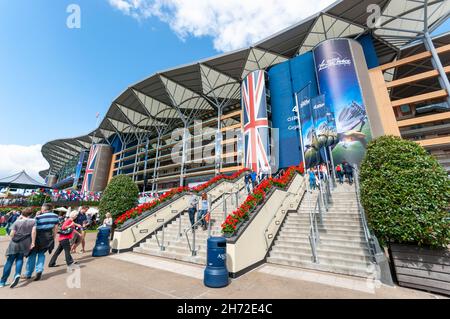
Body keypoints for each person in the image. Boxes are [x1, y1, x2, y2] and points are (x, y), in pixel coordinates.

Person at [0, 208, 35, 288]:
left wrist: (18, 220)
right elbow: (33, 232)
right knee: (20, 259)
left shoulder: (17, 221)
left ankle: (2, 282)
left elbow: (11, 234)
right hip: (26, 242)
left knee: (9, 261)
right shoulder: (33, 221)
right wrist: (32, 242)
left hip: (15, 243)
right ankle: (17, 274)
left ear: (22, 213)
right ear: (30, 214)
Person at [25, 203, 59, 281]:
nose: (41, 210)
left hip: (37, 236)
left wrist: (32, 241)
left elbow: (34, 230)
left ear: (44, 209)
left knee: (32, 255)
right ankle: (39, 270)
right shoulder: (55, 216)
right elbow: (56, 228)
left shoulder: (38, 217)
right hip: (48, 237)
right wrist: (53, 238)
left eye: (41, 208)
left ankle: (28, 274)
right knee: (41, 254)